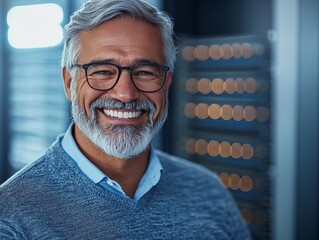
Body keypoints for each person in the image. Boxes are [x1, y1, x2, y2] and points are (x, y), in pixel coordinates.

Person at [0, 0, 251, 239]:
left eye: (144, 72)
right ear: (69, 83)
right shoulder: (11, 214)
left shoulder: (207, 191)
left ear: (167, 84)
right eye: (102, 71)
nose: (125, 94)